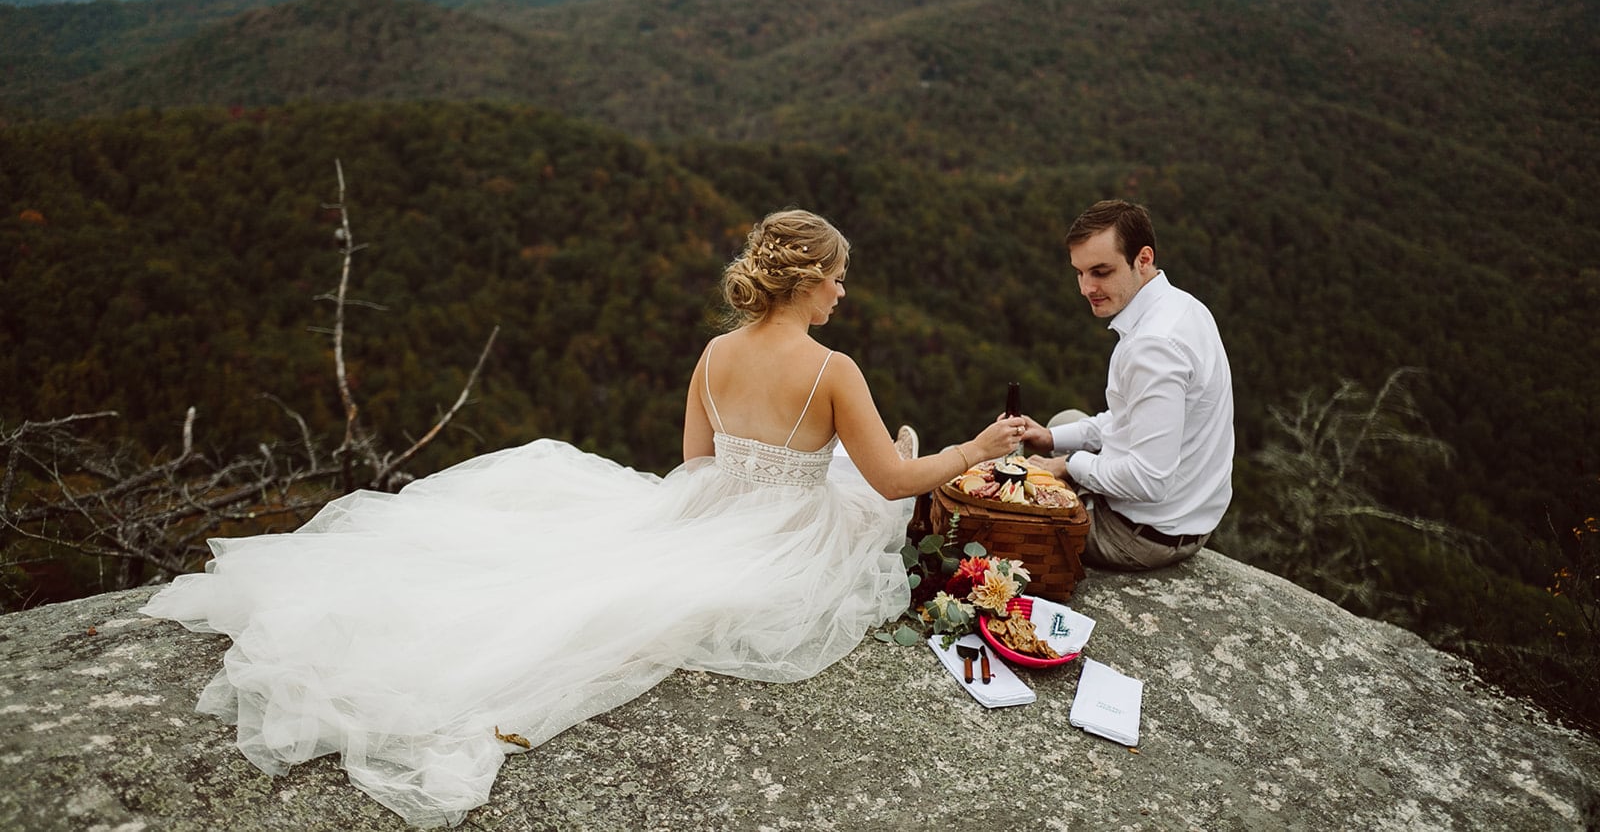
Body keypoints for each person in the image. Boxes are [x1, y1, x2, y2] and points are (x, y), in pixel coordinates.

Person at [141, 208, 1021, 829]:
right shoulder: (834, 370)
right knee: (862, 492)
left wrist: (733, 503)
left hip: (710, 506)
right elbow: (897, 477)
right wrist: (977, 446)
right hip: (786, 527)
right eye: (839, 280)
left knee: (574, 576)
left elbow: (694, 464)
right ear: (814, 280)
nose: (843, 296)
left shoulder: (717, 351)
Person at [1018, 199, 1234, 571]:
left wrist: (1069, 466)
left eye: (1101, 271)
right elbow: (1127, 419)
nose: (1087, 287)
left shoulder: (1153, 347)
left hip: (1140, 535)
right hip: (1188, 513)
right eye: (1080, 272)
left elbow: (1150, 480)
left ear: (1143, 259)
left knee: (1004, 506)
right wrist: (1053, 443)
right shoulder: (1185, 306)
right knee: (1062, 423)